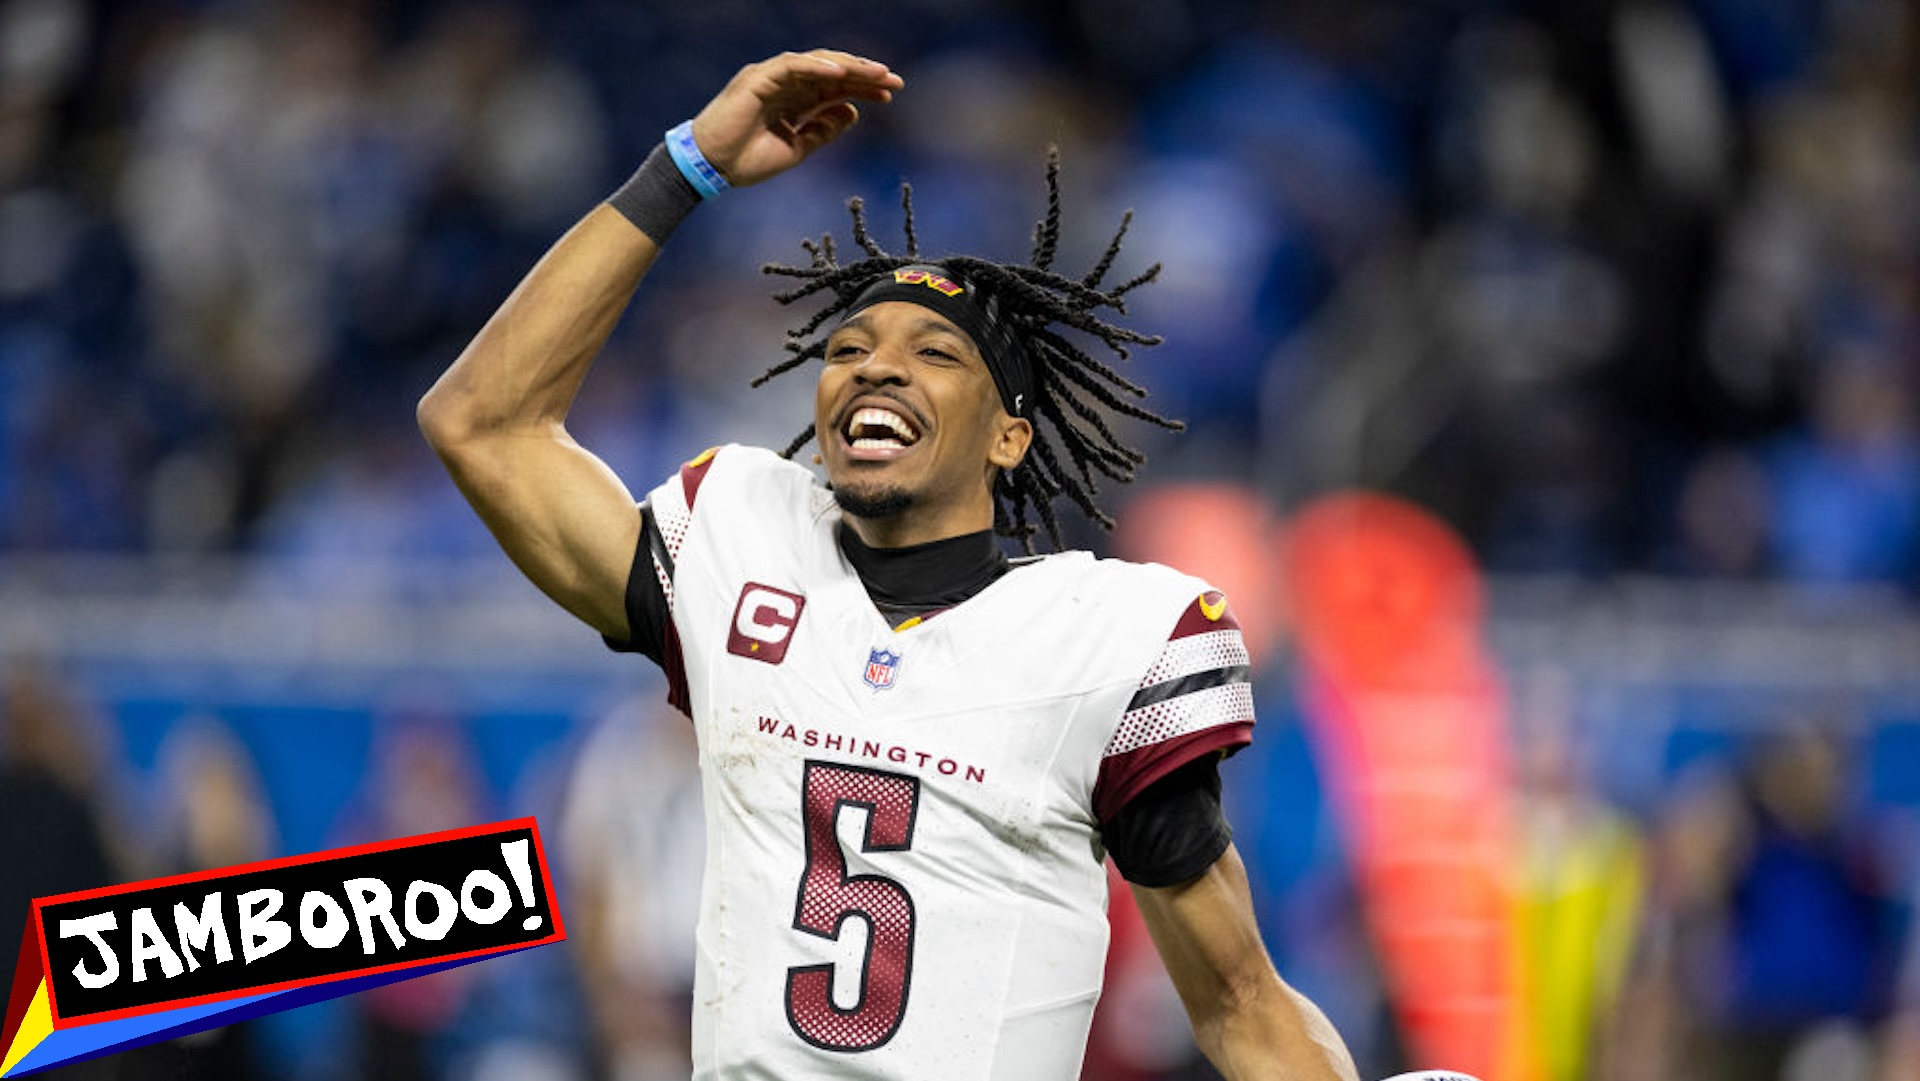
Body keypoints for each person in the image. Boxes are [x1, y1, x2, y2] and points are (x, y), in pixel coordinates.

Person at [418, 48, 1359, 1081]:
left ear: (1010, 437)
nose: (875, 364)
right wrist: (688, 166)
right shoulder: (741, 544)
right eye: (849, 347)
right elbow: (481, 423)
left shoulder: (1104, 637)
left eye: (935, 352)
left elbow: (1240, 1006)